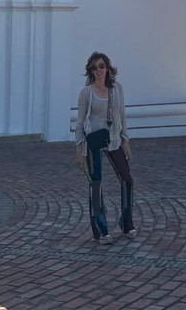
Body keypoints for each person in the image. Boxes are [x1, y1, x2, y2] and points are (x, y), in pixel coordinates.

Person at [74, 51, 135, 244]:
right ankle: (101, 230)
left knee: (127, 179)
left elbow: (122, 116)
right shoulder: (86, 93)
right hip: (94, 142)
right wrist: (79, 151)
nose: (98, 70)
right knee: (97, 185)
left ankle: (126, 222)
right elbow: (80, 122)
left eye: (101, 66)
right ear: (90, 71)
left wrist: (126, 142)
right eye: (94, 67)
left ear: (108, 67)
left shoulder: (117, 89)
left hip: (114, 140)